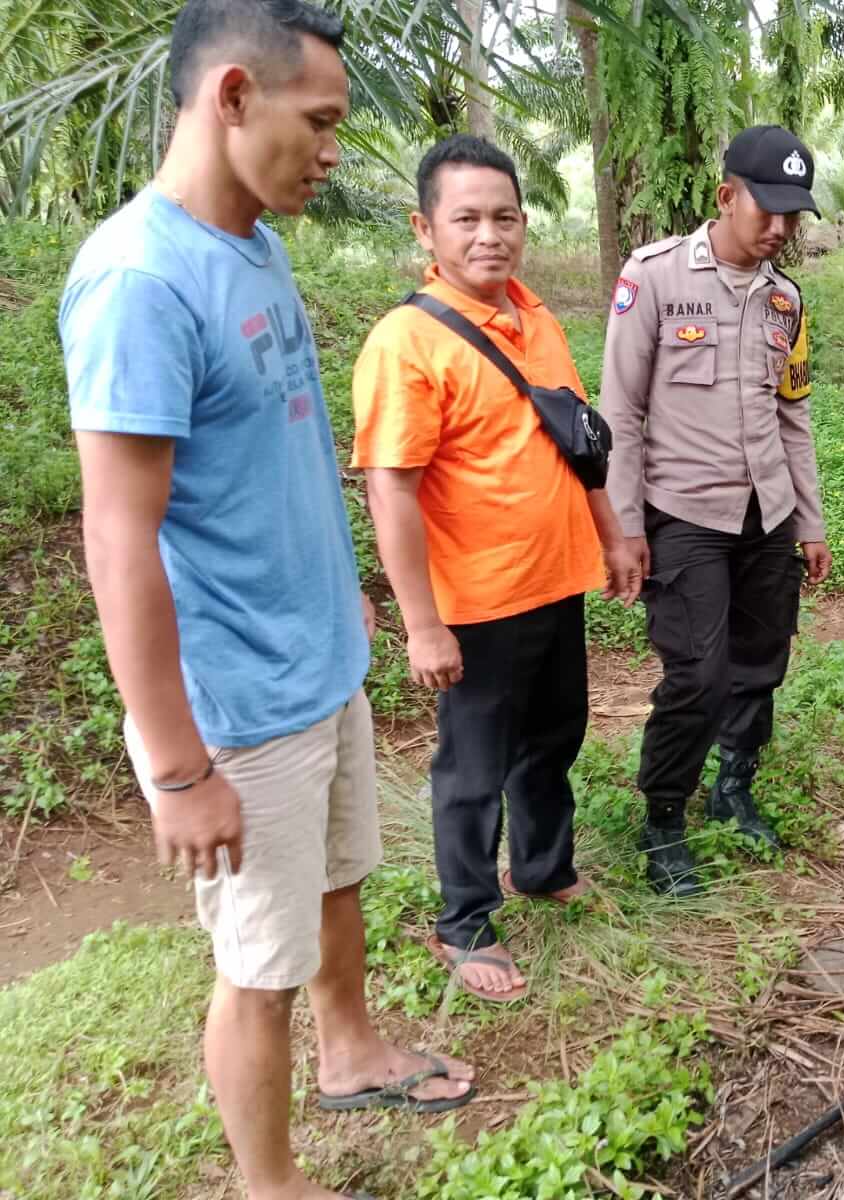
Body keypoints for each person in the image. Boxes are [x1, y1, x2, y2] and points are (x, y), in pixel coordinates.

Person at [58, 2, 475, 1198]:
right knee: (257, 963)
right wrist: (182, 768)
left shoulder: (251, 239)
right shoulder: (141, 279)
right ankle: (269, 1182)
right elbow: (116, 536)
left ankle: (349, 1052)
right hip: (239, 699)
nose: (335, 149)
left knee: (337, 878)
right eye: (323, 120)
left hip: (316, 656)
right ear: (233, 95)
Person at [350, 135, 637, 1003]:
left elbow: (573, 445)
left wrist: (613, 536)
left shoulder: (537, 318)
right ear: (425, 229)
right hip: (473, 602)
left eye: (504, 217)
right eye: (466, 218)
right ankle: (464, 921)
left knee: (555, 738)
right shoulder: (407, 343)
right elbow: (389, 491)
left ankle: (544, 868)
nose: (489, 235)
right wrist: (422, 621)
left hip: (554, 582)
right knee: (471, 769)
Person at [600, 125, 831, 898]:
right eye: (768, 210)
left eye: (793, 216)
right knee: (698, 673)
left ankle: (734, 786)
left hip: (766, 513)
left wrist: (810, 518)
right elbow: (620, 413)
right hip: (684, 512)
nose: (780, 229)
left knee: (761, 663)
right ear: (727, 195)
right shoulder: (656, 278)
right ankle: (664, 818)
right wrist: (626, 527)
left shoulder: (785, 299)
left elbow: (792, 415)